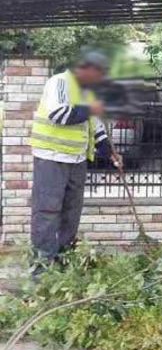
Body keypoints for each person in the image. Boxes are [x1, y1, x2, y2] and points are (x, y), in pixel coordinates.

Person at [29, 50, 121, 273]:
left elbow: (96, 127)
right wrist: (92, 109)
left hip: (77, 161)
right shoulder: (59, 83)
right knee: (48, 213)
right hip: (52, 159)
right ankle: (41, 271)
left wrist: (109, 152)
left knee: (71, 214)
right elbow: (58, 114)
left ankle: (63, 264)